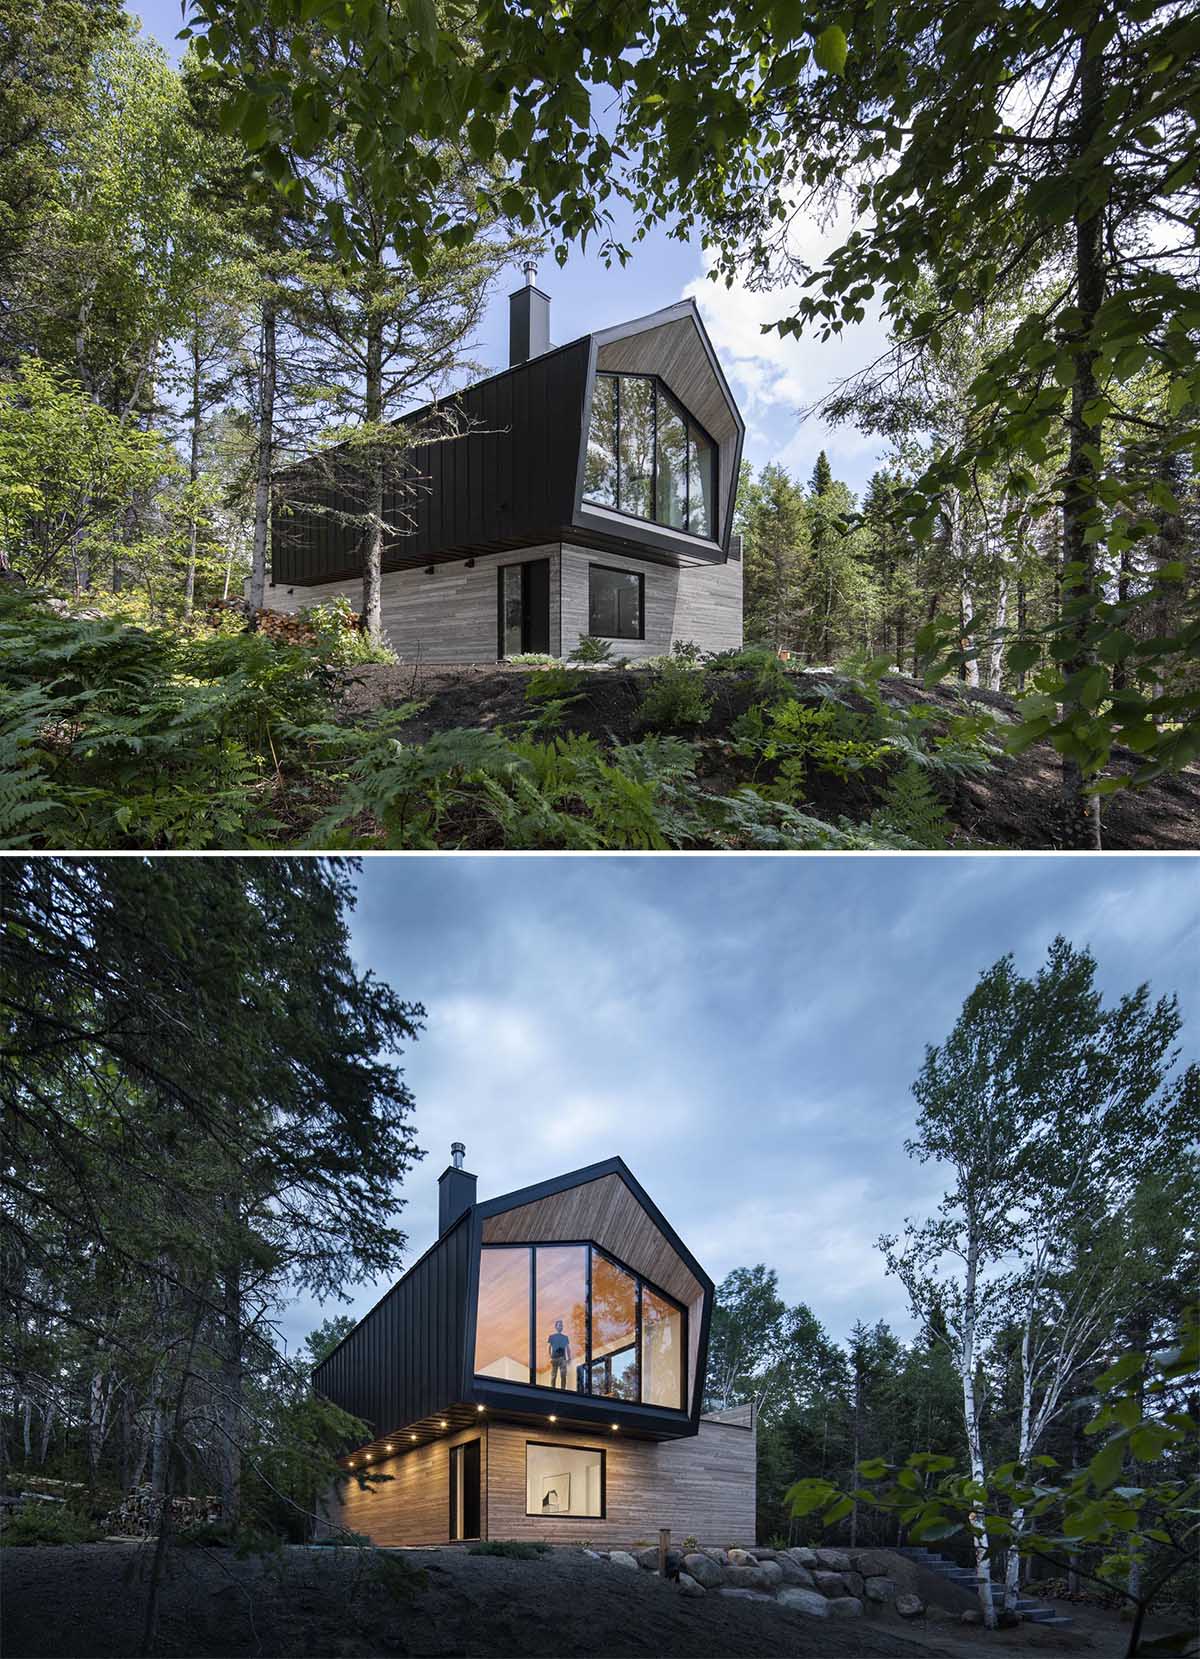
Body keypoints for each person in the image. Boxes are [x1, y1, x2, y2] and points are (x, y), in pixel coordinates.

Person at [547, 1319, 570, 1387]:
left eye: (562, 1326)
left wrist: (569, 1358)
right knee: (553, 1375)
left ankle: (563, 1390)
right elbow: (549, 1347)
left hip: (562, 1358)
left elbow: (567, 1348)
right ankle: (552, 1389)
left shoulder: (565, 1337)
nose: (561, 1327)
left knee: (563, 1375)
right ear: (556, 1327)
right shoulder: (552, 1336)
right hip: (554, 1358)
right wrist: (550, 1357)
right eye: (559, 1325)